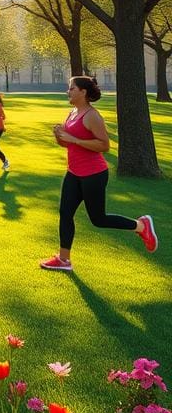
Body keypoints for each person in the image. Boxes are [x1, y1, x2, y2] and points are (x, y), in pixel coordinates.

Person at [40, 76, 157, 271]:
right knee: (65, 213)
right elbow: (68, 142)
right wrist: (59, 136)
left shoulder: (92, 116)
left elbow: (104, 145)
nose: (67, 92)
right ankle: (64, 260)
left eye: (71, 89)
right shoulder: (72, 113)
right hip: (73, 172)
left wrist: (73, 139)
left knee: (98, 219)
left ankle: (142, 226)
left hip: (93, 174)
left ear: (83, 92)